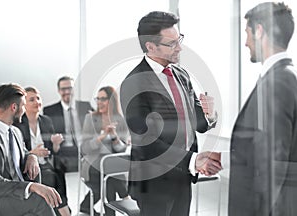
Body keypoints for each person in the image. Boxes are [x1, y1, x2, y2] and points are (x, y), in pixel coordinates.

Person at [120, 11, 222, 216]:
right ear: (150, 46)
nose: (180, 47)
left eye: (179, 40)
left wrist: (210, 115)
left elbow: (199, 124)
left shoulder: (181, 75)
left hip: (183, 176)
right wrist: (193, 160)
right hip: (153, 182)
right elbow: (146, 142)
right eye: (172, 43)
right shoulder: (133, 84)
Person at [222, 2, 297, 216]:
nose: (246, 43)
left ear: (260, 31)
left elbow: (273, 166)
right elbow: (263, 146)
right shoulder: (285, 76)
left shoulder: (277, 82)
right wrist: (226, 157)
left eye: (247, 33)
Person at [0, 83, 62, 216]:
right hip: (1, 197)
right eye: (23, 106)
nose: (24, 110)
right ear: (13, 107)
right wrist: (31, 187)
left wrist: (31, 157)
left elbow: (23, 151)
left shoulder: (15, 131)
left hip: (17, 192)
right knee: (40, 200)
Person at [14, 86, 71, 216]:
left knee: (57, 172)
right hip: (28, 168)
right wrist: (32, 153)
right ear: (24, 103)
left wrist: (56, 144)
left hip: (46, 165)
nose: (37, 102)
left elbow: (53, 152)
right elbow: (15, 153)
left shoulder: (46, 121)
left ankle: (61, 209)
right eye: (32, 100)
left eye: (38, 98)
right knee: (52, 177)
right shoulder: (17, 124)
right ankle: (63, 210)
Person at [43, 76, 93, 210]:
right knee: (55, 171)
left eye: (69, 88)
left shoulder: (85, 106)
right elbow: (47, 138)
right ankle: (63, 206)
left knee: (100, 168)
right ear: (59, 91)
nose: (67, 92)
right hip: (62, 151)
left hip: (84, 149)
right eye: (63, 89)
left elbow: (97, 126)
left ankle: (87, 206)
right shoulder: (49, 111)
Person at [80, 86, 129, 216]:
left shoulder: (120, 120)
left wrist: (114, 137)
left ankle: (92, 210)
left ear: (112, 101)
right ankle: (125, 196)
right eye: (98, 99)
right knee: (109, 173)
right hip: (93, 165)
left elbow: (122, 150)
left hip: (112, 166)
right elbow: (84, 148)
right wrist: (101, 137)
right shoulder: (90, 118)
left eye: (103, 99)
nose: (99, 102)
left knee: (109, 178)